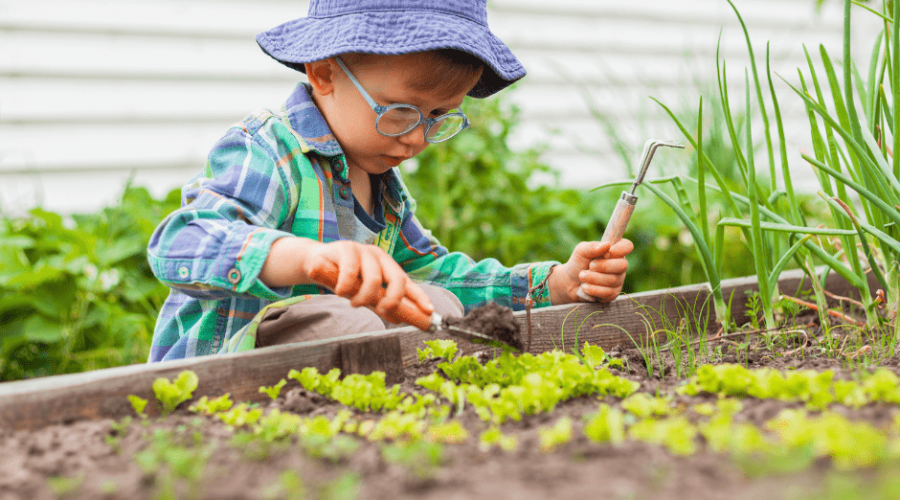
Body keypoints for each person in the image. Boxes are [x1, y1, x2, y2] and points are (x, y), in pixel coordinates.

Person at [146, 0, 633, 362]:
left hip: (334, 374)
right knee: (348, 322)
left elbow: (437, 277)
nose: (419, 137)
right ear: (324, 73)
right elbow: (177, 243)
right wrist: (308, 259)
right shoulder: (267, 153)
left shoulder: (384, 187)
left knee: (435, 303)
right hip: (217, 380)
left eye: (440, 115)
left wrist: (555, 284)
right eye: (400, 112)